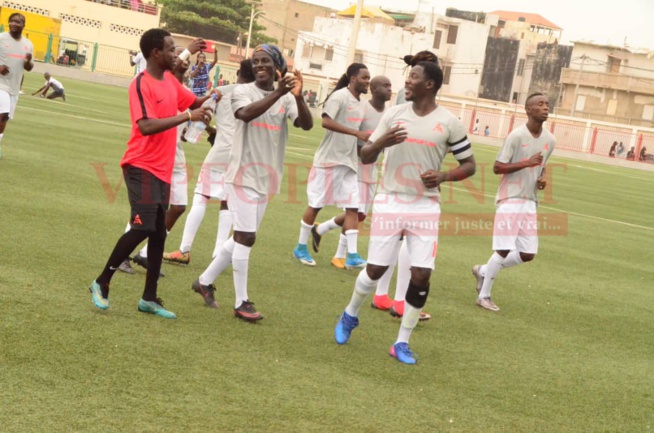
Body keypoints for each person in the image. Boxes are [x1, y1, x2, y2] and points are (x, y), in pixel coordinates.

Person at [333, 61, 477, 365]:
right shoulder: (394, 115)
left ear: (430, 85)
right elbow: (365, 154)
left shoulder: (450, 123)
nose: (406, 82)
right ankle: (350, 314)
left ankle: (401, 341)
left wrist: (442, 176)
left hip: (426, 206)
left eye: (413, 77)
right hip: (390, 200)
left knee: (422, 275)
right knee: (375, 270)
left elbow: (469, 165)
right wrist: (383, 141)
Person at [87, 29, 215, 319]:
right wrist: (186, 117)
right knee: (143, 227)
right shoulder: (141, 83)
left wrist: (216, 96)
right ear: (156, 53)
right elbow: (145, 126)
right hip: (140, 165)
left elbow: (193, 103)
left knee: (158, 234)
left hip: (162, 170)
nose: (177, 55)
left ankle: (149, 298)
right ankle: (102, 281)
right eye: (171, 49)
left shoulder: (170, 80)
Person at [192, 44, 313, 320]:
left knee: (241, 238)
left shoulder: (286, 96)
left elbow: (305, 125)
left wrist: (298, 96)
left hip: (267, 178)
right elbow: (244, 114)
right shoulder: (243, 91)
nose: (259, 65)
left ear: (276, 66)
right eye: (256, 61)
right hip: (241, 175)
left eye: (265, 61)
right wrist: (280, 93)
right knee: (247, 237)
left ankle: (204, 281)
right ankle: (241, 301)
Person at [163, 59, 255, 276]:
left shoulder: (221, 91)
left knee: (201, 197)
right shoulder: (256, 96)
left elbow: (202, 116)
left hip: (221, 152)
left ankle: (184, 249)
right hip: (244, 155)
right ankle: (219, 253)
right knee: (227, 203)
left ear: (238, 71)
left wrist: (192, 134)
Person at [471, 93, 556, 312]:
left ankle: (483, 270)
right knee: (503, 248)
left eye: (547, 104)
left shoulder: (550, 139)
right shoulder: (516, 136)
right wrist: (527, 163)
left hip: (530, 200)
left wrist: (542, 177)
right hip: (509, 198)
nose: (546, 107)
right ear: (528, 110)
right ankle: (484, 295)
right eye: (540, 104)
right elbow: (498, 167)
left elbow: (542, 164)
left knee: (527, 254)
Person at [292, 63, 370, 269]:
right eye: (364, 78)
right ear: (353, 78)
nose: (367, 82)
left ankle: (352, 255)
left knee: (354, 208)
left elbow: (360, 134)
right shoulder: (339, 97)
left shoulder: (362, 104)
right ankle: (300, 247)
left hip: (349, 162)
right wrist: (355, 133)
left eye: (368, 78)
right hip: (329, 161)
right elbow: (326, 122)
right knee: (316, 205)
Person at [318, 75, 391, 270]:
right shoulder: (363, 108)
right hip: (356, 165)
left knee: (360, 215)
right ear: (374, 89)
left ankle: (321, 229)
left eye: (390, 86)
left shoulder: (389, 113)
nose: (390, 89)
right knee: (354, 212)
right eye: (385, 86)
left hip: (372, 168)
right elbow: (353, 134)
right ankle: (342, 255)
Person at [0, 12, 34, 159]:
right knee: (3, 114)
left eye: (18, 22)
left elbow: (29, 68)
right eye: (12, 21)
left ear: (23, 25)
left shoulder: (28, 44)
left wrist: (28, 62)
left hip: (14, 87)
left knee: (5, 118)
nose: (14, 24)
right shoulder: (1, 38)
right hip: (1, 84)